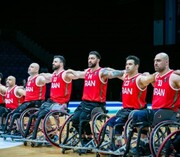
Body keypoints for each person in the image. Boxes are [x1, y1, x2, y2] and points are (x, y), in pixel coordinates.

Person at [66, 51, 125, 145]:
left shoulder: (102, 72)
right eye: (89, 58)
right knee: (75, 120)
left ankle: (88, 138)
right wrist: (70, 71)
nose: (90, 60)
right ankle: (85, 138)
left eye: (92, 58)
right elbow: (77, 75)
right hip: (85, 103)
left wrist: (122, 72)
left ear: (98, 60)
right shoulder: (87, 72)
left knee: (82, 118)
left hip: (96, 104)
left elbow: (112, 74)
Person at [131, 52, 180, 155]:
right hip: (156, 111)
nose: (155, 63)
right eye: (154, 61)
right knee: (135, 114)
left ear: (166, 62)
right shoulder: (156, 76)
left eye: (158, 61)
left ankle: (145, 144)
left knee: (139, 114)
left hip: (168, 112)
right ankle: (145, 143)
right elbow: (145, 80)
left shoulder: (174, 77)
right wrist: (145, 75)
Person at [106, 55, 155, 150]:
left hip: (137, 110)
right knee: (111, 122)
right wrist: (105, 69)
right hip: (125, 110)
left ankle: (144, 144)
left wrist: (149, 75)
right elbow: (113, 72)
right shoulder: (125, 77)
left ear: (136, 66)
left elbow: (151, 78)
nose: (127, 66)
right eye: (126, 64)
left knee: (117, 124)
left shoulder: (140, 79)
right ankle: (117, 145)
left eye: (130, 64)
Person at [24, 55, 76, 140]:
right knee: (34, 115)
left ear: (61, 63)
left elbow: (78, 75)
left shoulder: (66, 74)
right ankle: (27, 136)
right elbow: (46, 75)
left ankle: (36, 137)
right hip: (51, 101)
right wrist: (40, 74)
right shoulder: (53, 75)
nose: (53, 63)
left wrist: (86, 73)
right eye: (53, 61)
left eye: (55, 61)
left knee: (41, 115)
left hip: (61, 103)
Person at [3, 63, 47, 134]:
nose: (29, 68)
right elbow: (29, 91)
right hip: (28, 102)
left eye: (32, 67)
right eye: (29, 66)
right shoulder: (29, 78)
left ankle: (18, 130)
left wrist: (46, 78)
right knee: (13, 113)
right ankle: (14, 129)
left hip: (36, 102)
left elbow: (45, 80)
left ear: (37, 70)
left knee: (15, 114)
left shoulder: (39, 78)